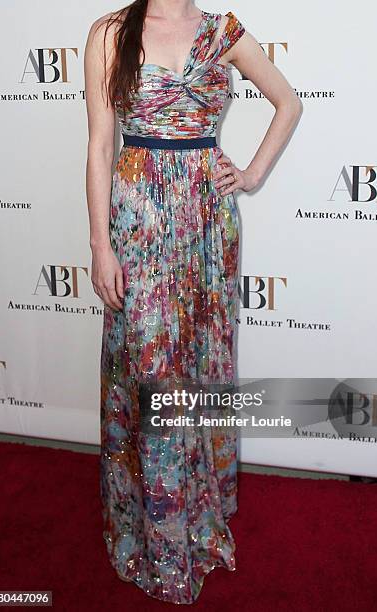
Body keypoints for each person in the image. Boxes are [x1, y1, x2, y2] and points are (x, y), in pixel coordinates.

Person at [84, 0, 302, 604]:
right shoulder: (109, 33)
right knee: (148, 368)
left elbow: (289, 102)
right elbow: (100, 146)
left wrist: (252, 174)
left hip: (208, 222)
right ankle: (153, 524)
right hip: (138, 218)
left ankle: (197, 510)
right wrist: (101, 245)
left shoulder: (222, 31)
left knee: (201, 361)